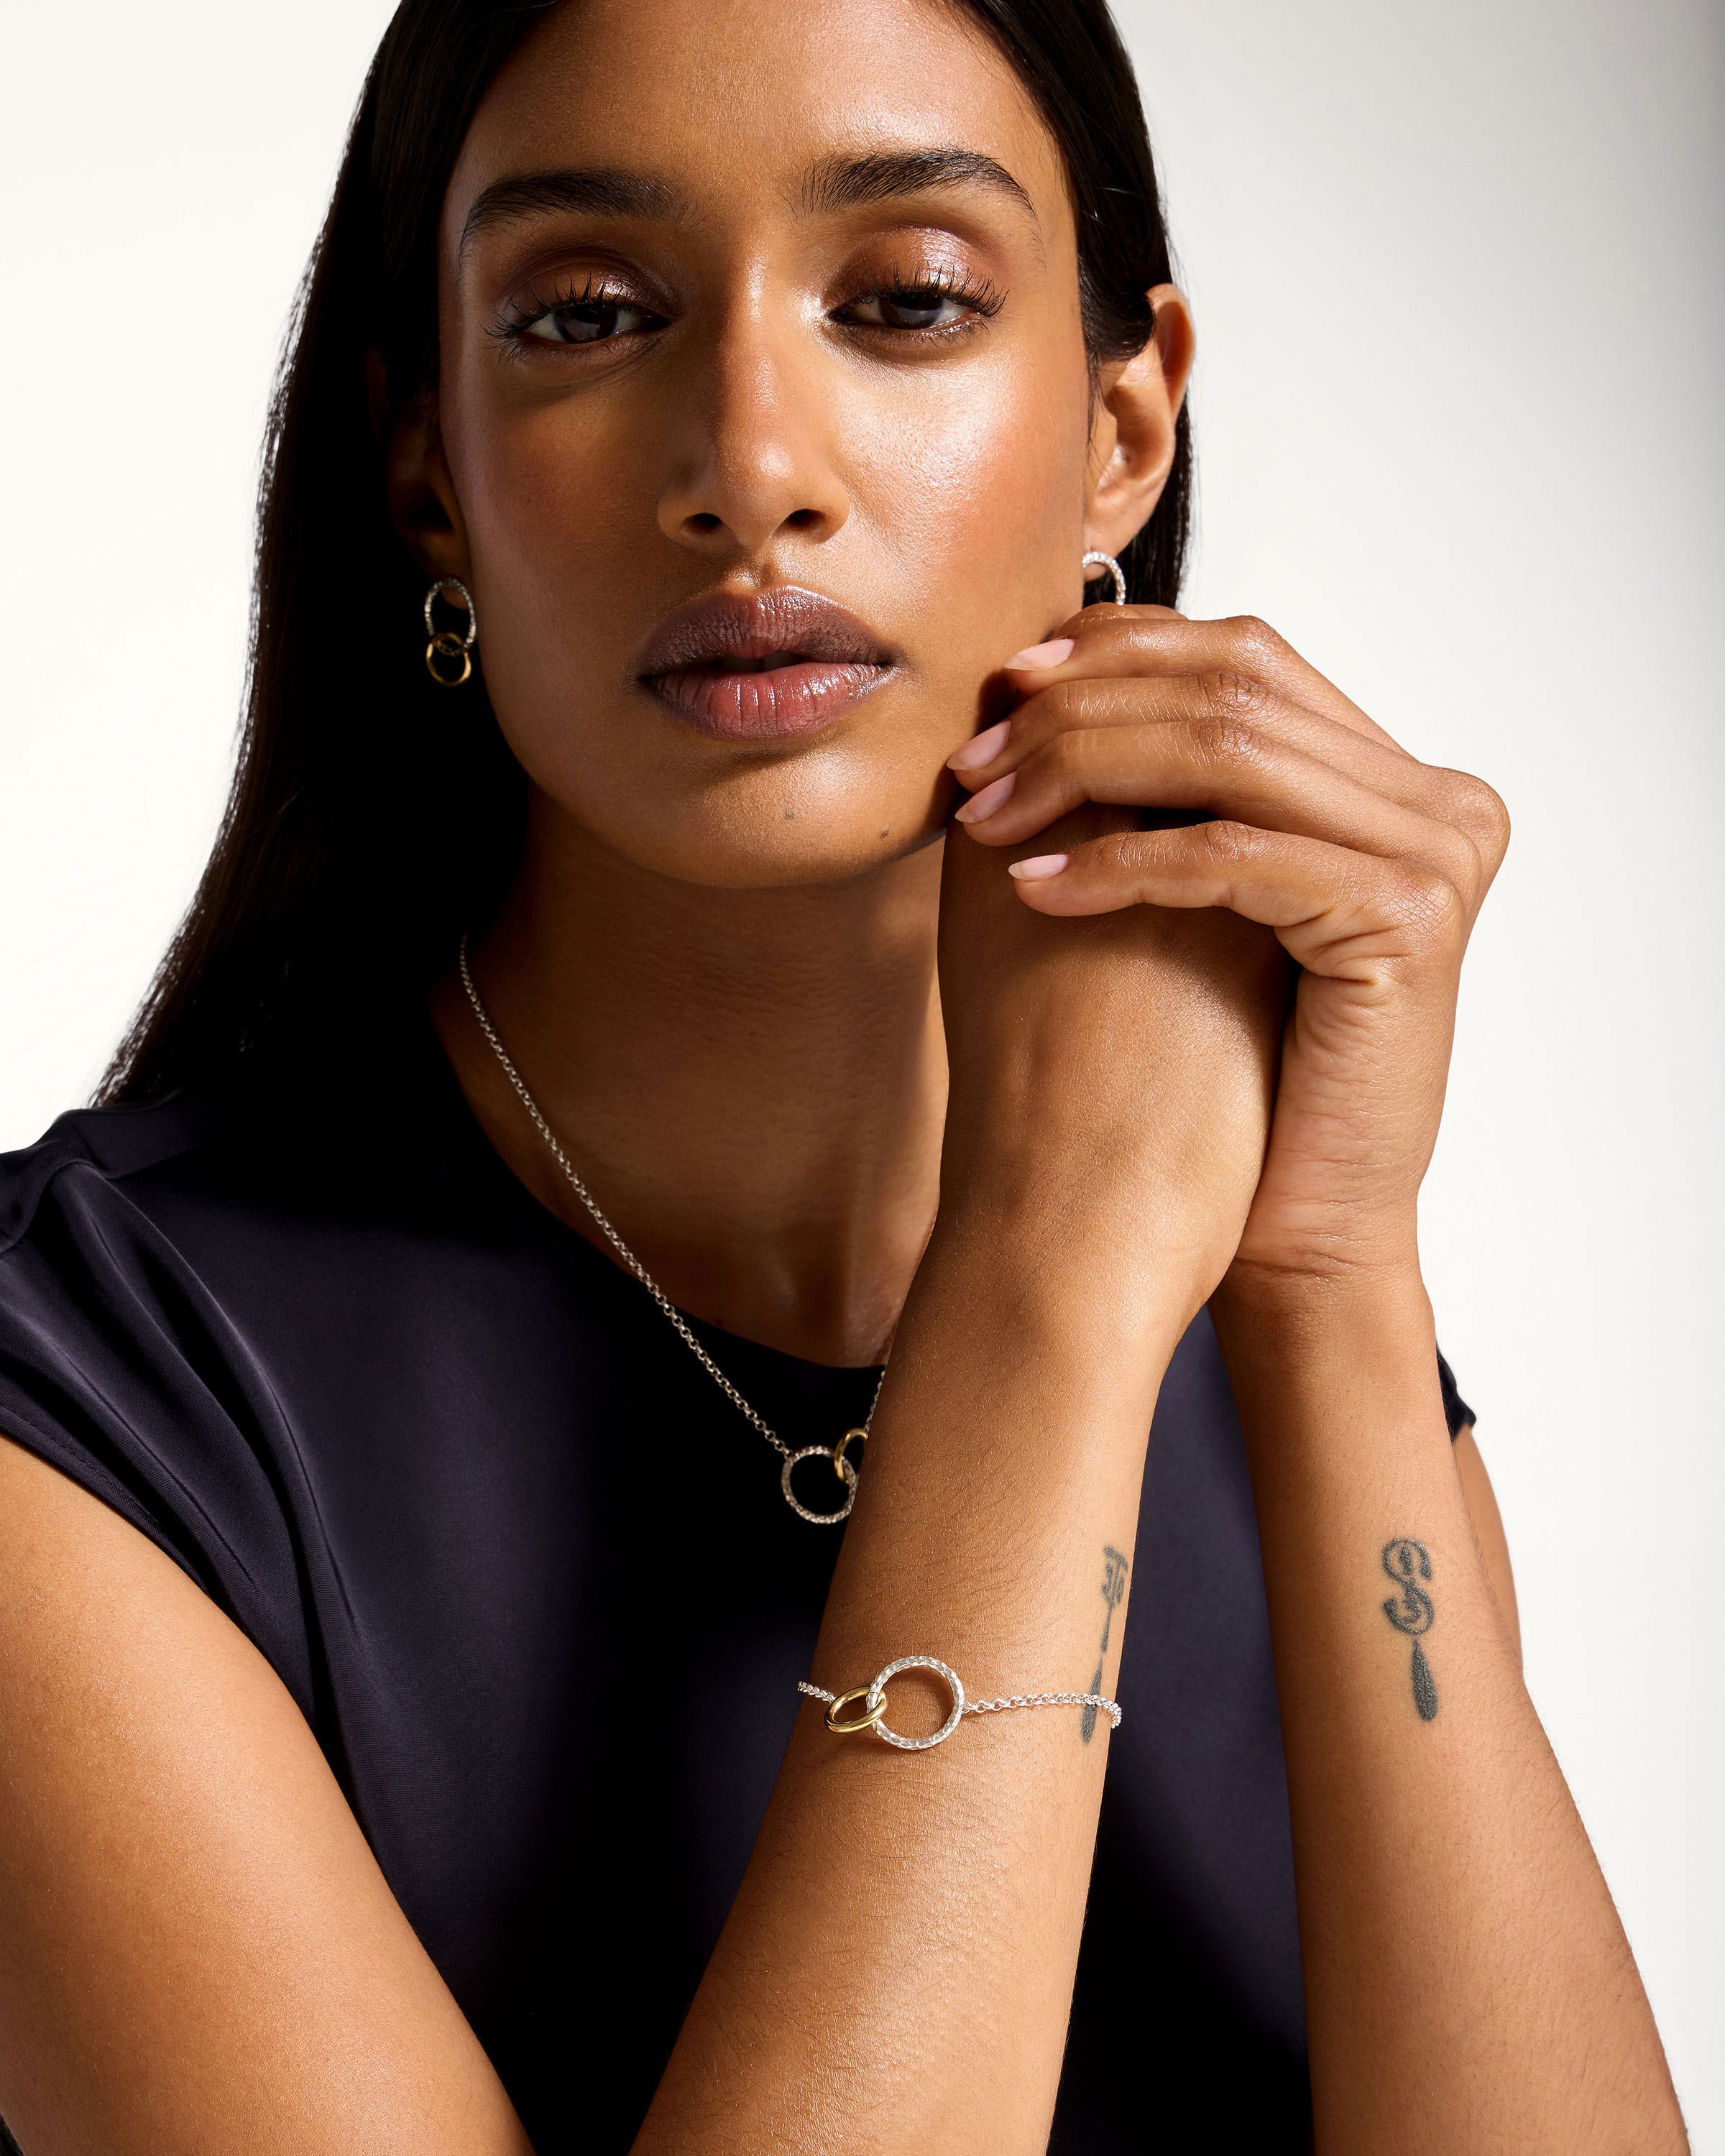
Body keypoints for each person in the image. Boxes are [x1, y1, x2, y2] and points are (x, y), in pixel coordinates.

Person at [0, 1, 1688, 2150]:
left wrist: (1337, 1275)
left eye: (904, 302)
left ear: (1125, 431)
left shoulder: (1270, 1297)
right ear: (427, 470)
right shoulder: (86, 1421)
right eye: (591, 315)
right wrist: (1042, 1292)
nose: (754, 467)